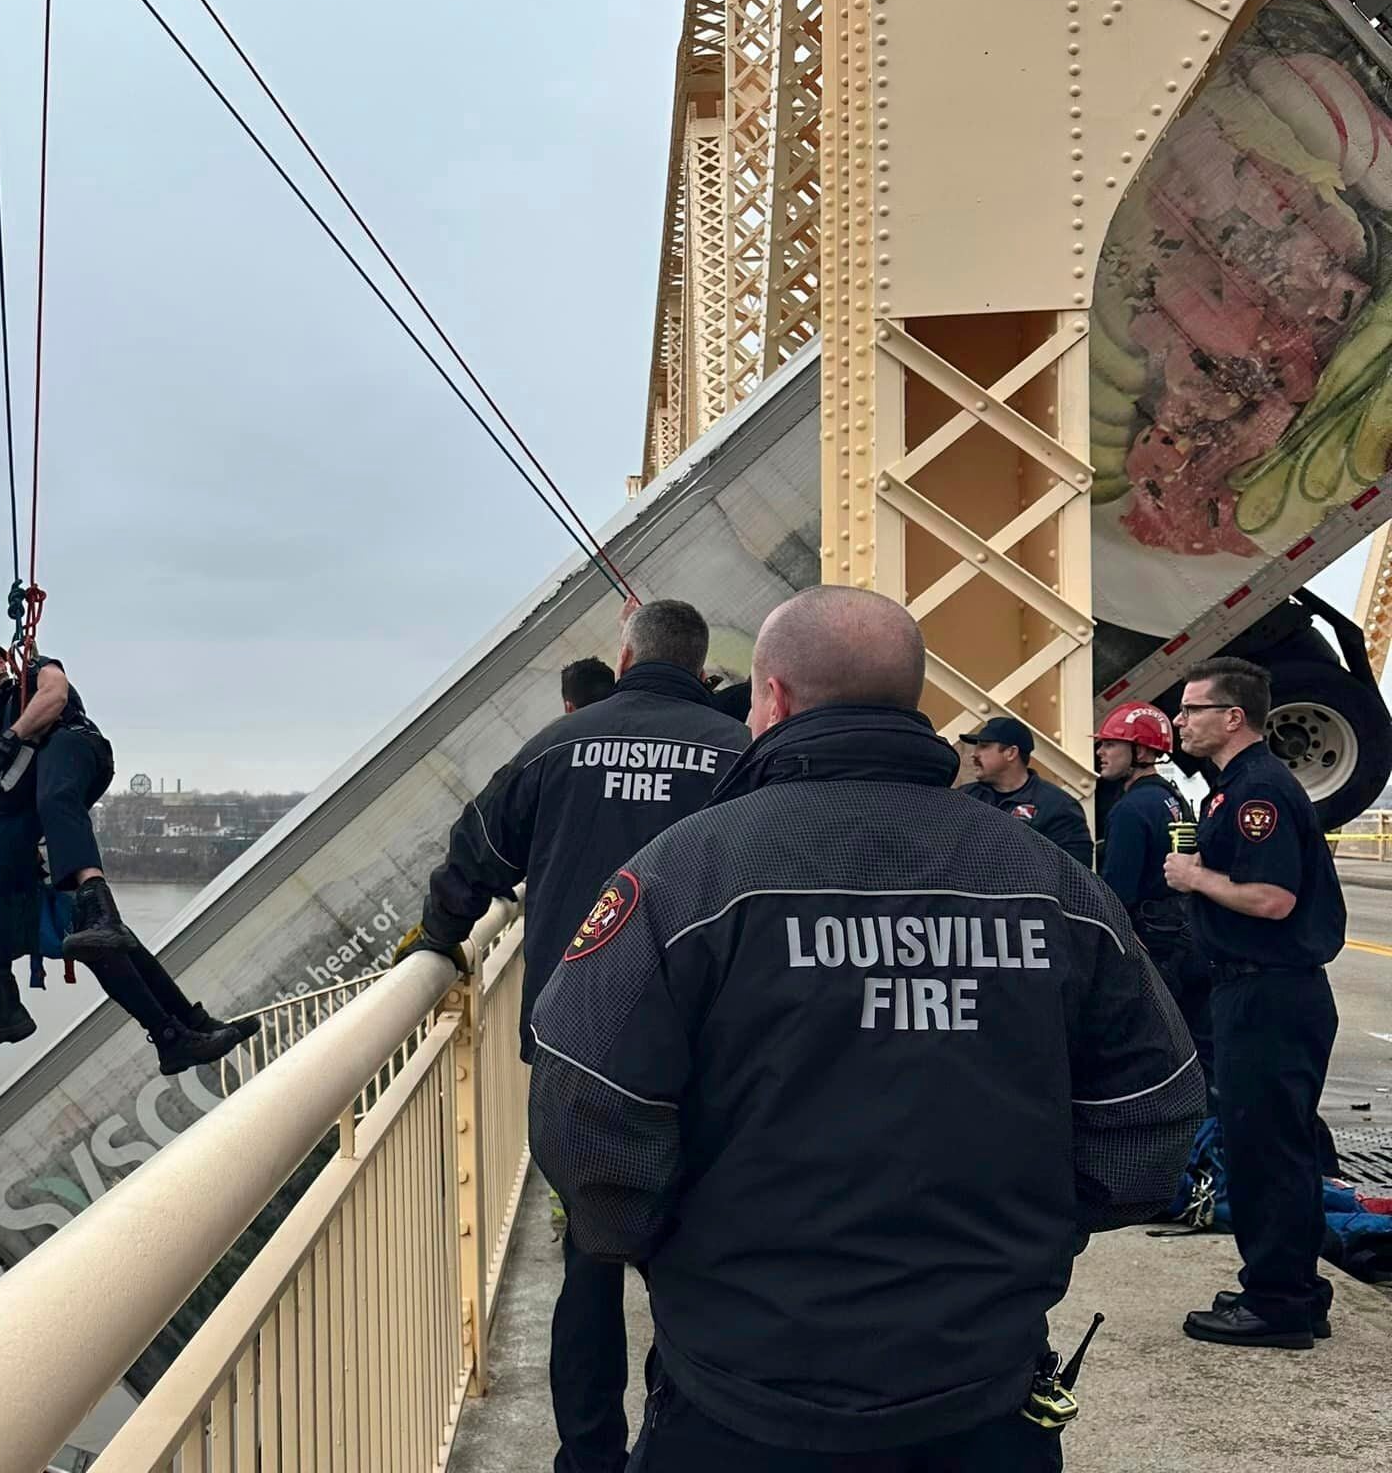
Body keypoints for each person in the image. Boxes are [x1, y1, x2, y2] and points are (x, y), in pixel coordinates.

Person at [530, 587, 1203, 1472]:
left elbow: (585, 1104)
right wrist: (1021, 1239)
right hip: (981, 1392)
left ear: (770, 698)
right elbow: (1156, 1110)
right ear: (915, 702)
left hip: (740, 1394)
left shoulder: (686, 873)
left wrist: (677, 1248)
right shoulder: (1051, 881)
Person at [401, 597, 749, 1473]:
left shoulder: (559, 746)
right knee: (698, 1259)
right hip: (714, 1052)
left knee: (588, 1261)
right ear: (701, 667)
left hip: (579, 1046)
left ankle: (587, 1459)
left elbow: (474, 850)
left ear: (624, 659)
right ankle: (681, 1441)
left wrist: (442, 938)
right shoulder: (741, 754)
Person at [0, 705, 259, 1070]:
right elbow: (9, 797)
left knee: (110, 940)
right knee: (103, 946)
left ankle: (189, 1029)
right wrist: (35, 738)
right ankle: (172, 1037)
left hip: (16, 896)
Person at [1166, 656, 1347, 1350]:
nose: (1181, 720)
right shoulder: (1233, 787)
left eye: (1193, 708)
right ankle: (1295, 1288)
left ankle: (1276, 1304)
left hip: (1269, 991)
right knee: (1279, 1146)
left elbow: (1273, 900)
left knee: (1264, 1149)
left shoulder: (1256, 793)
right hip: (1261, 990)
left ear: (1232, 716)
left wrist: (1195, 876)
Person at [0, 631, 134, 956]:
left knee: (54, 798)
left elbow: (55, 694)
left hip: (77, 746)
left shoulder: (32, 671)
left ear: (1, 658)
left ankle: (99, 903)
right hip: (50, 774)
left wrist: (10, 739)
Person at [1095, 700, 1210, 1082]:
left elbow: (1116, 892)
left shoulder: (1130, 810)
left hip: (1154, 948)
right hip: (1186, 935)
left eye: (1111, 744)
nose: (1101, 752)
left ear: (1141, 752)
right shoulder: (1173, 799)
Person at [963, 713, 1092, 864]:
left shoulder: (1057, 805)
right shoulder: (965, 797)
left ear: (1011, 753)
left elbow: (1076, 870)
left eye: (984, 746)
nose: (974, 754)